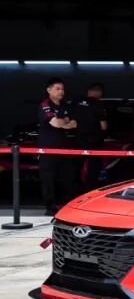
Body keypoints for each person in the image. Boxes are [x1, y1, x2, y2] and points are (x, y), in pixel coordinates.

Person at [37, 77, 78, 215]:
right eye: (58, 89)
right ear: (49, 90)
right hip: (48, 148)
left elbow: (74, 124)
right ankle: (50, 207)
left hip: (64, 148)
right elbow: (55, 123)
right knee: (48, 178)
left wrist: (63, 122)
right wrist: (65, 121)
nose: (61, 91)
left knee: (68, 177)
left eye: (62, 89)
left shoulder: (66, 105)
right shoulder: (45, 104)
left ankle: (68, 206)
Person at [73, 82, 108, 192]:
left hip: (78, 139)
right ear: (98, 92)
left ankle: (75, 189)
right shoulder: (98, 104)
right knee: (94, 167)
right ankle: (89, 190)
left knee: (76, 165)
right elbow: (103, 126)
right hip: (94, 141)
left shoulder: (76, 101)